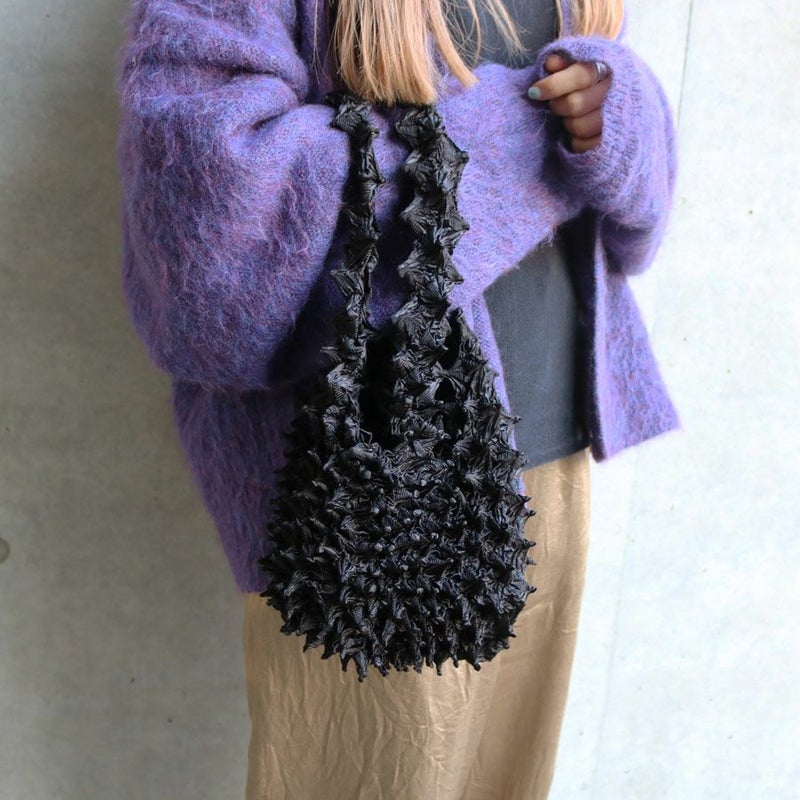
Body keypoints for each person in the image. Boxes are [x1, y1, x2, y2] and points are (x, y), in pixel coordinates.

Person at [114, 0, 679, 797]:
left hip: (555, 464)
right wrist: (521, 136)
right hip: (365, 493)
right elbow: (203, 250)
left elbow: (633, 223)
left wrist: (617, 113)